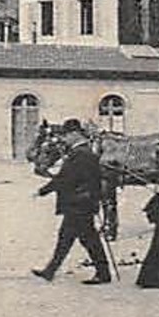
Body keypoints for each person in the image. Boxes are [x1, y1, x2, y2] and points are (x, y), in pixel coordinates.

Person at [32, 119, 112, 285]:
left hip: (79, 204)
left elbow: (64, 179)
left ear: (75, 134)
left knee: (84, 239)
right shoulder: (84, 152)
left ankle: (103, 273)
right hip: (82, 203)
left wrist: (42, 191)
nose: (64, 139)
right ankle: (51, 270)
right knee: (73, 238)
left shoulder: (80, 154)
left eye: (66, 135)